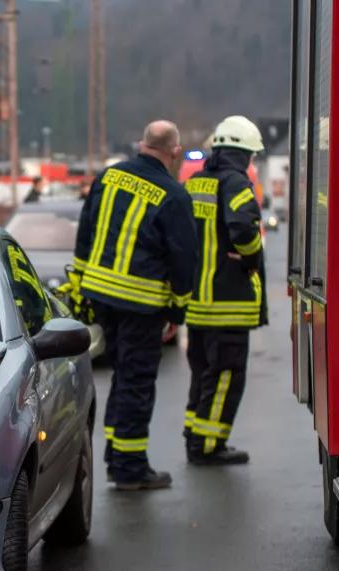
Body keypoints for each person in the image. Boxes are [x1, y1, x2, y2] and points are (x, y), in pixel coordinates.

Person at [74, 120, 198, 490]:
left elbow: (86, 230)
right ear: (174, 152)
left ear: (142, 144)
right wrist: (176, 311)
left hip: (101, 296)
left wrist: (82, 287)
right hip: (141, 305)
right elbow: (183, 259)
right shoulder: (173, 195)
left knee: (121, 378)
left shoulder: (108, 177)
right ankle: (128, 468)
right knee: (136, 382)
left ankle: (116, 454)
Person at [182, 115, 267, 466]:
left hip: (197, 303)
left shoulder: (197, 182)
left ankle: (194, 435)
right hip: (227, 302)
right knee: (226, 375)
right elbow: (243, 230)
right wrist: (250, 260)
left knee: (203, 372)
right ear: (242, 153)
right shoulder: (236, 183)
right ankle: (208, 445)